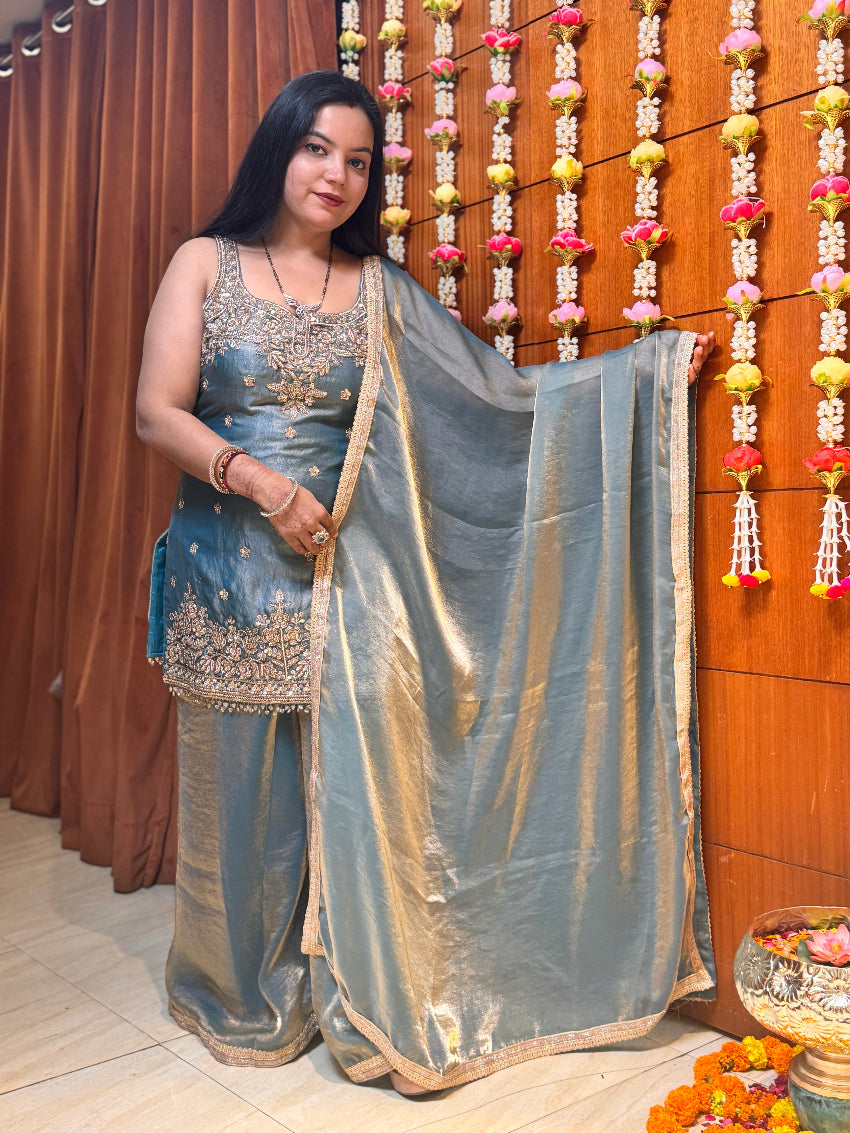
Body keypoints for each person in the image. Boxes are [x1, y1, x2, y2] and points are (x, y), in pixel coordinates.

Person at [138, 70, 716, 1095]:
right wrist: (263, 482)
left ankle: (351, 987)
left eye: (359, 161)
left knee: (355, 801)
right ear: (279, 148)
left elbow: (499, 402)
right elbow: (157, 411)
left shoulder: (384, 293)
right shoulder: (205, 262)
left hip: (353, 581)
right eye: (319, 148)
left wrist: (642, 377)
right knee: (238, 797)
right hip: (229, 571)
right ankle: (241, 992)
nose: (338, 175)